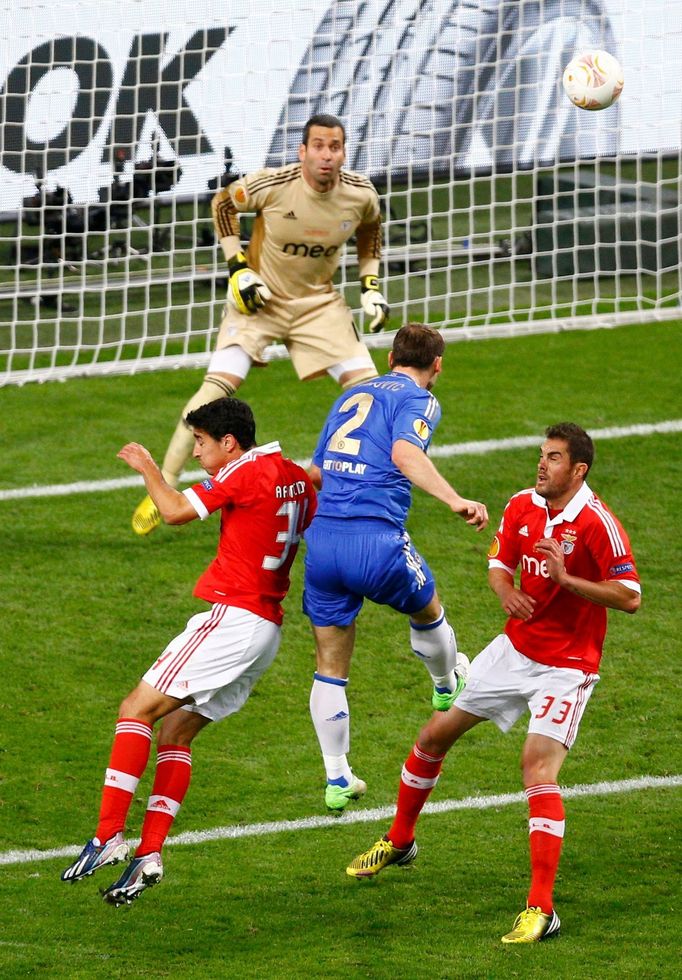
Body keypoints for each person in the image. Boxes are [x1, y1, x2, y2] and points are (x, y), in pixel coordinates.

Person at [346, 423, 641, 944]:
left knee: (536, 767)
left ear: (579, 471)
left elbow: (630, 595)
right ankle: (400, 839)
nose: (541, 464)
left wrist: (567, 579)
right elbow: (499, 563)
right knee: (433, 736)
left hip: (568, 665)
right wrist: (505, 591)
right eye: (541, 455)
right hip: (514, 648)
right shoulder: (522, 505)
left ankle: (542, 908)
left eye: (553, 458)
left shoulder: (597, 524)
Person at [62, 397, 316, 905]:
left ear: (229, 442)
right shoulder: (293, 474)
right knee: (175, 731)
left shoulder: (244, 472)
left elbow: (175, 511)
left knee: (136, 710)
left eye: (200, 442)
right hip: (266, 630)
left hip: (233, 618)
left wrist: (151, 469)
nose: (197, 453)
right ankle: (149, 854)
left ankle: (109, 834)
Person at [132, 112, 388, 536]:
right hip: (259, 300)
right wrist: (237, 268)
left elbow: (370, 233)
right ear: (302, 151)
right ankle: (166, 487)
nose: (327, 156)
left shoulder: (360, 194)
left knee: (372, 399)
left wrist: (371, 285)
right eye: (318, 147)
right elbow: (223, 203)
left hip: (318, 305)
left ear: (344, 152)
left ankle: (350, 492)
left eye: (335, 147)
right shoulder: (273, 184)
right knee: (211, 393)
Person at [302, 322, 489, 813]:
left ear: (389, 358)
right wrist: (454, 499)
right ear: (438, 366)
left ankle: (337, 777)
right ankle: (448, 686)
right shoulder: (420, 400)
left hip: (322, 544)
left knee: (329, 665)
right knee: (428, 611)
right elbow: (405, 452)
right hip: (376, 541)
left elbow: (315, 472)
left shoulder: (351, 394)